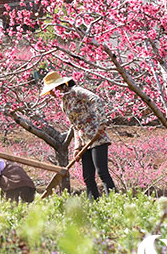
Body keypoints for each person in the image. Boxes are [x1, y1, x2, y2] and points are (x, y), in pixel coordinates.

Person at [40, 71, 115, 199]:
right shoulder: (64, 103)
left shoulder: (76, 91)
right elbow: (75, 126)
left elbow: (96, 99)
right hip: (84, 141)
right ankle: (94, 206)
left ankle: (115, 202)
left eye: (53, 90)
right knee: (87, 177)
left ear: (60, 86)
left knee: (102, 172)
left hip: (97, 136)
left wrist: (102, 123)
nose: (52, 94)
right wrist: (77, 147)